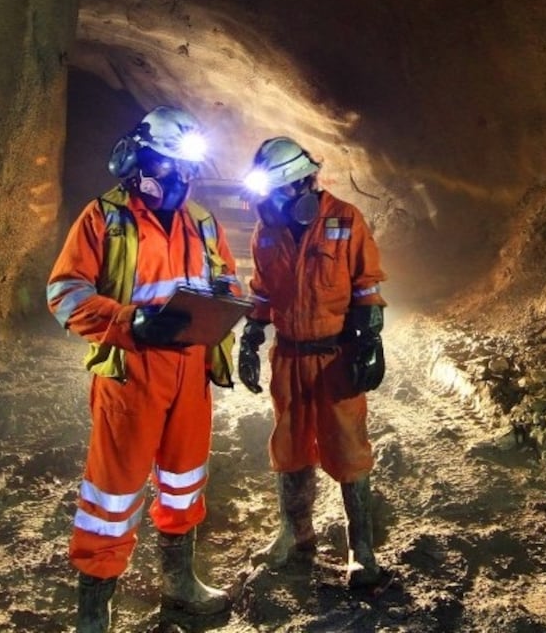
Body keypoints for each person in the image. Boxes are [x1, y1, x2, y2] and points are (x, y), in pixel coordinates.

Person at [46, 106, 241, 632]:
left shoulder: (202, 222)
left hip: (192, 369)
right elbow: (65, 294)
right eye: (172, 167)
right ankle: (95, 610)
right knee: (113, 490)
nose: (182, 179)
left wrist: (227, 303)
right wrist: (130, 321)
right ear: (141, 162)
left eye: (188, 169)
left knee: (183, 480)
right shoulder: (104, 218)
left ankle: (179, 583)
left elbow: (229, 280)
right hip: (131, 370)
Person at [238, 136, 388, 589]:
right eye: (271, 195)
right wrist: (250, 335)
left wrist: (369, 339)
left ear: (305, 182)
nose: (275, 202)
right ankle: (295, 533)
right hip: (289, 355)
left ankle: (361, 549)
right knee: (289, 444)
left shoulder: (345, 218)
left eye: (281, 192)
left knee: (346, 447)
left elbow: (367, 283)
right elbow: (262, 290)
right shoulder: (267, 229)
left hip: (334, 355)